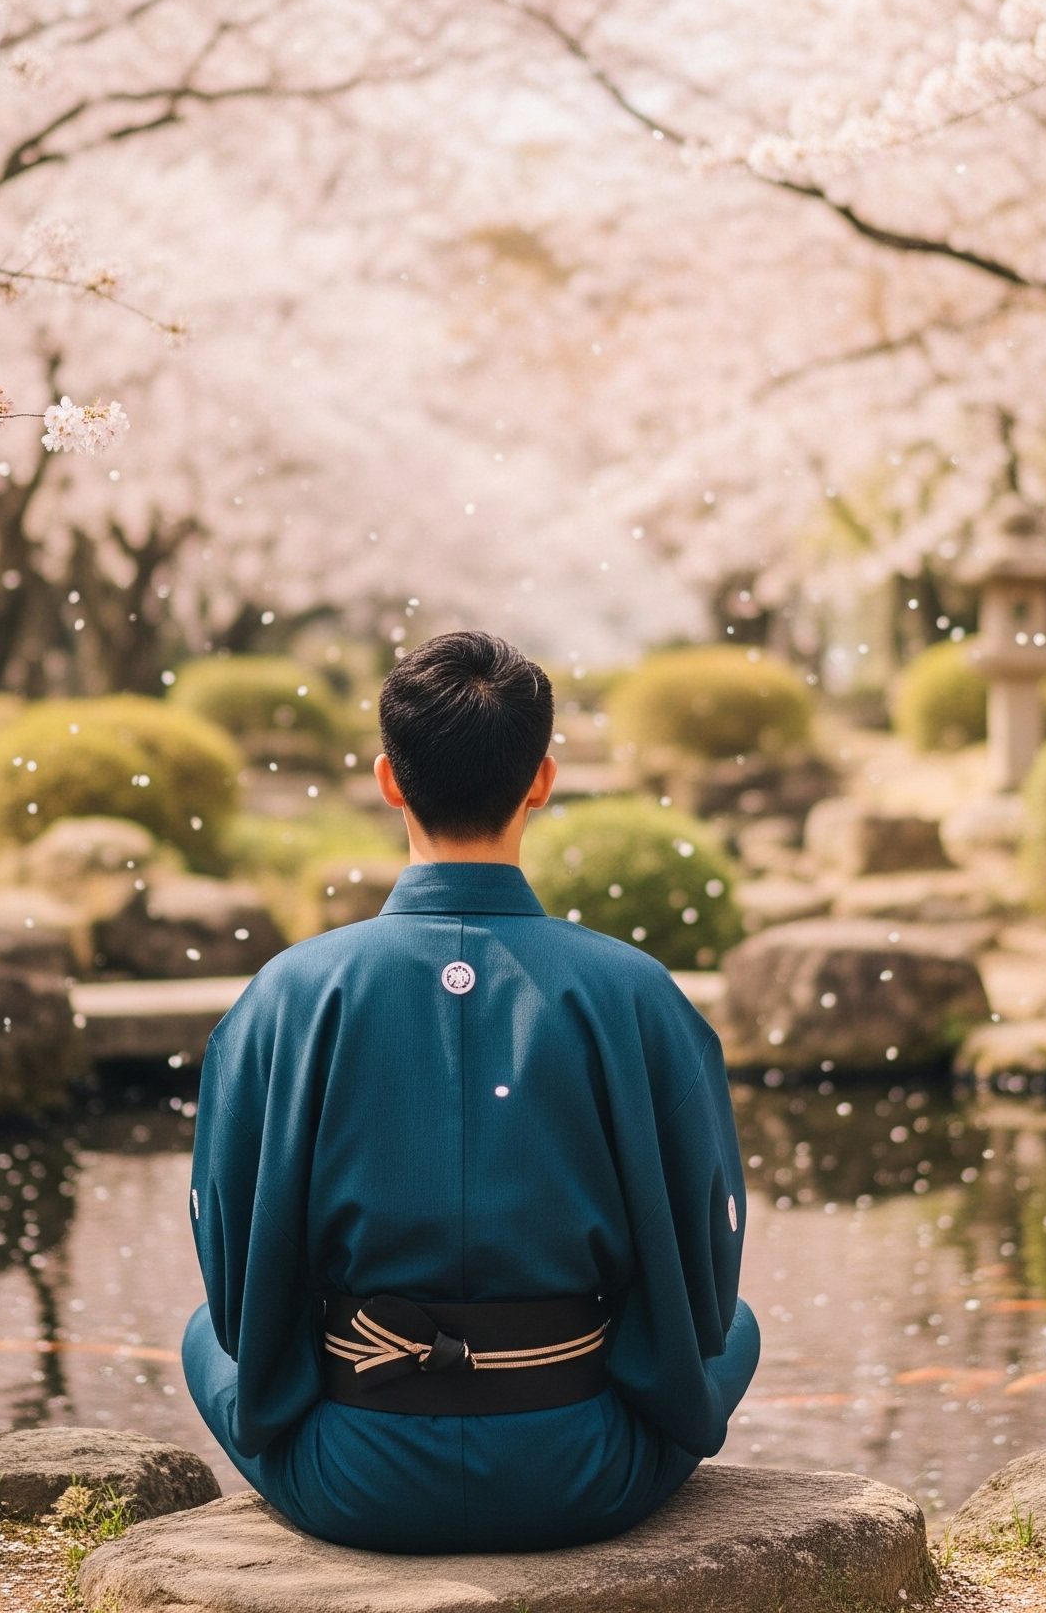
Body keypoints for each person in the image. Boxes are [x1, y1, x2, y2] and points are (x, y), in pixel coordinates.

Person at [181, 629, 759, 1554]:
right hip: (581, 1469)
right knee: (742, 1326)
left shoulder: (288, 992)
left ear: (388, 779)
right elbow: (701, 1271)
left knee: (200, 1333)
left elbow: (236, 1268)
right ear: (542, 780)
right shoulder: (635, 991)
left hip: (355, 1473)